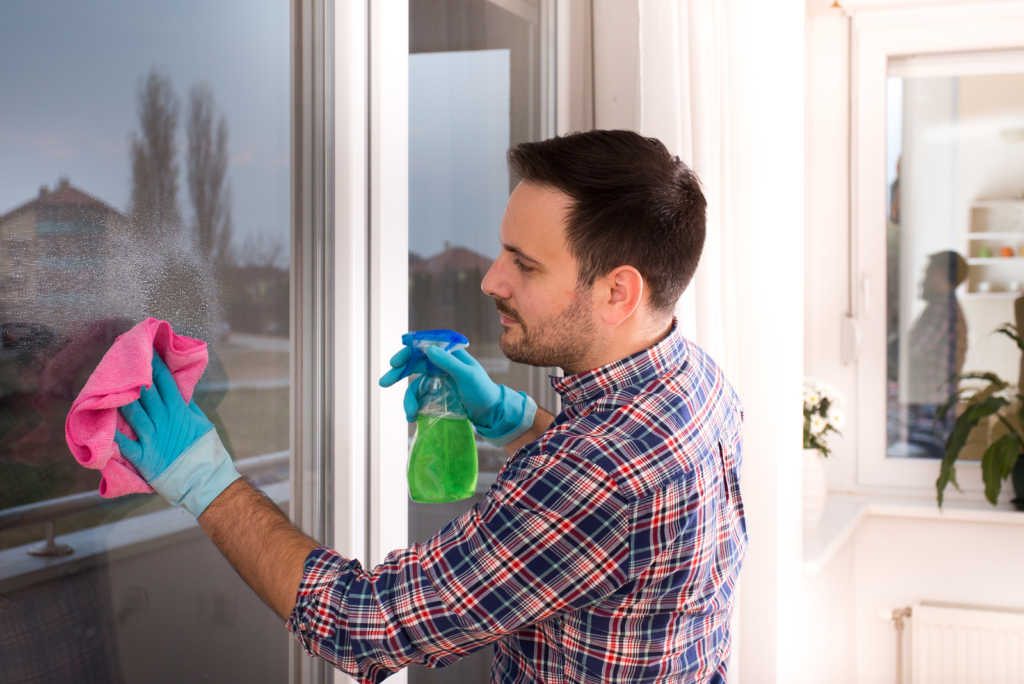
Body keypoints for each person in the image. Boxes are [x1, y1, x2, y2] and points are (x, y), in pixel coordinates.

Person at [112, 130, 746, 683]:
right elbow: (624, 498)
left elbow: (364, 624)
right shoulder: (697, 380)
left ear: (617, 292)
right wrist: (516, 420)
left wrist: (206, 480)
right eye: (503, 251)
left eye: (524, 264)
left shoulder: (597, 474)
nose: (491, 279)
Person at [903, 250, 969, 458]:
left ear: (941, 275)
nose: (922, 280)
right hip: (934, 409)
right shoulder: (945, 308)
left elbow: (912, 350)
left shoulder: (941, 309)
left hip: (930, 411)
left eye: (927, 273)